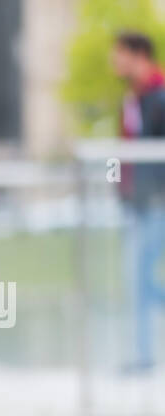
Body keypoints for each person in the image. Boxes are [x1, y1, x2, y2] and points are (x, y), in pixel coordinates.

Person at [112, 30, 165, 373]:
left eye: (119, 54)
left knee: (138, 275)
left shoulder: (159, 96)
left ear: (138, 54)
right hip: (135, 203)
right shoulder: (132, 99)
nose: (113, 62)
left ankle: (143, 357)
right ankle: (142, 356)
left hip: (157, 202)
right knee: (135, 276)